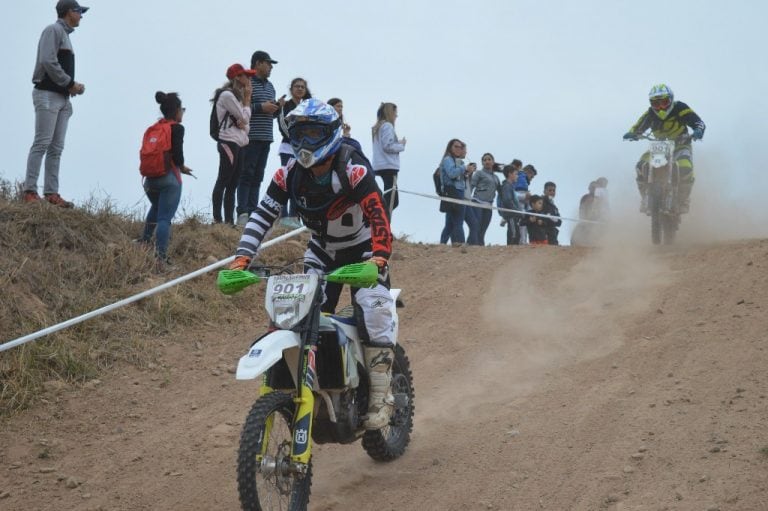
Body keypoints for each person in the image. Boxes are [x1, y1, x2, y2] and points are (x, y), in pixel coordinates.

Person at [228, 99, 395, 430]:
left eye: (315, 133)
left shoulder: (353, 169)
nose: (306, 142)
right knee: (302, 317)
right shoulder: (288, 174)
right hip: (322, 251)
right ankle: (315, 388)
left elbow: (378, 213)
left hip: (364, 251)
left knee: (373, 309)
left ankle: (381, 395)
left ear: (330, 133)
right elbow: (262, 215)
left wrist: (379, 257)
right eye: (300, 133)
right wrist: (241, 259)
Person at [22, 0, 90, 208]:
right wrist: (70, 83)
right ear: (69, 12)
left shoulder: (65, 36)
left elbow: (53, 62)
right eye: (79, 11)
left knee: (56, 147)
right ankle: (30, 191)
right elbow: (47, 60)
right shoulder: (53, 30)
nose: (81, 16)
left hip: (60, 97)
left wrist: (70, 88)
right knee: (42, 143)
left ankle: (51, 192)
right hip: (47, 94)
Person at [623, 83, 705, 214]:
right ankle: (645, 197)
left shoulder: (680, 108)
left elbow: (697, 121)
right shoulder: (650, 113)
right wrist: (632, 133)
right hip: (659, 146)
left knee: (686, 168)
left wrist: (698, 131)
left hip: (681, 144)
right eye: (656, 104)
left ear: (671, 100)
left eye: (664, 102)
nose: (660, 108)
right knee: (641, 165)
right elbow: (638, 126)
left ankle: (683, 200)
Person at [138, 92, 193, 269]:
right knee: (164, 218)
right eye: (182, 109)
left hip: (149, 180)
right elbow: (177, 155)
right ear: (177, 111)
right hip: (168, 179)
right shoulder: (177, 128)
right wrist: (182, 166)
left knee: (156, 207)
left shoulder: (154, 127)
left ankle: (144, 242)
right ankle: (161, 259)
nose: (183, 112)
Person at [237, 50, 284, 226]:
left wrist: (277, 107)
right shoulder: (247, 83)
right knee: (246, 174)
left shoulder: (270, 86)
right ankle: (242, 212)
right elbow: (241, 108)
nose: (271, 67)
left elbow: (269, 114)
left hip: (266, 137)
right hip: (250, 137)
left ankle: (251, 212)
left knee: (258, 176)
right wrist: (261, 107)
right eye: (268, 63)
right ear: (257, 63)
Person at [211, 63, 253, 225]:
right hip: (228, 142)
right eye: (246, 76)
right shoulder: (227, 96)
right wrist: (248, 100)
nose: (249, 79)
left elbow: (246, 127)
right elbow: (245, 119)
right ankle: (217, 219)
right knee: (224, 179)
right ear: (237, 77)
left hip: (240, 143)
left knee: (233, 183)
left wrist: (243, 118)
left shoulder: (237, 98)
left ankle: (229, 221)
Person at [276, 77, 312, 227]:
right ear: (291, 89)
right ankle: (284, 216)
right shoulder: (286, 105)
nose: (299, 89)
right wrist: (296, 138)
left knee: (300, 184)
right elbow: (283, 125)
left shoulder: (308, 106)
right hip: (288, 148)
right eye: (297, 86)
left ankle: (294, 216)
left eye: (302, 87)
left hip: (304, 150)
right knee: (287, 181)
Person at [371, 102, 406, 220]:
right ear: (390, 112)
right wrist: (401, 145)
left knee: (389, 198)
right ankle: (382, 225)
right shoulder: (387, 126)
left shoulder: (378, 127)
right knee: (392, 201)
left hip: (380, 165)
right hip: (389, 166)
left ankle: (381, 224)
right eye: (395, 112)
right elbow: (388, 146)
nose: (396, 115)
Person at [439, 139, 474, 245]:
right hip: (453, 192)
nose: (459, 149)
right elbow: (451, 173)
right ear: (450, 147)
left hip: (458, 191)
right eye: (456, 146)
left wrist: (467, 172)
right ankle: (461, 244)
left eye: (460, 147)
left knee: (450, 223)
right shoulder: (447, 159)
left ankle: (442, 244)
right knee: (458, 221)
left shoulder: (456, 161)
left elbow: (459, 178)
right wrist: (464, 168)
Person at [467, 153, 501, 246]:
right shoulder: (479, 173)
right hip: (477, 202)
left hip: (489, 205)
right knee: (476, 227)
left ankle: (480, 248)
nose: (487, 161)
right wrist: (466, 198)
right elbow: (471, 185)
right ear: (482, 162)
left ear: (493, 162)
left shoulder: (496, 177)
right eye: (484, 160)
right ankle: (470, 246)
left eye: (489, 159)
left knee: (483, 229)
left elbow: (501, 192)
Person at [499, 165, 522, 245]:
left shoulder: (510, 186)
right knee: (514, 235)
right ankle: (510, 254)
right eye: (516, 174)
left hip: (513, 214)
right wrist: (516, 211)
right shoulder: (507, 186)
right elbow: (507, 200)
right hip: (511, 215)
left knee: (516, 235)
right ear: (510, 174)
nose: (517, 176)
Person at [541, 181, 562, 245]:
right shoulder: (540, 202)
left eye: (554, 190)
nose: (552, 192)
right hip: (543, 233)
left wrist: (553, 219)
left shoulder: (554, 207)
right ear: (544, 191)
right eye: (550, 190)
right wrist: (550, 218)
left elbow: (559, 222)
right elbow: (540, 216)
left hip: (553, 233)